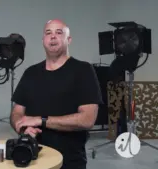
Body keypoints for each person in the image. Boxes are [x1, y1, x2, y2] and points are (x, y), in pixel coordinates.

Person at [10, 19, 102, 169]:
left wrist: (41, 120)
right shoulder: (30, 73)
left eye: (59, 32)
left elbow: (88, 119)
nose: (53, 36)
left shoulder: (83, 70)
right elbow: (17, 112)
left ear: (69, 39)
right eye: (48, 33)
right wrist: (21, 127)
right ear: (43, 40)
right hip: (31, 158)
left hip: (69, 161)